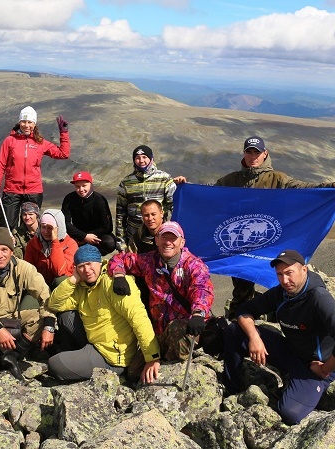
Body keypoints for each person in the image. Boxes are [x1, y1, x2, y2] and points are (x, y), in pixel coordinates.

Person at [175, 136, 335, 319]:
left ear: (265, 153)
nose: (253, 156)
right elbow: (209, 194)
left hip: (271, 242)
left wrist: (331, 187)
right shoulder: (232, 180)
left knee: (279, 280)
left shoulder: (277, 179)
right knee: (241, 285)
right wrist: (185, 188)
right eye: (249, 152)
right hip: (241, 244)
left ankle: (283, 320)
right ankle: (238, 321)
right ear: (244, 153)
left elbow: (303, 188)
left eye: (257, 152)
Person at [223, 250, 335, 425]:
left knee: (289, 414)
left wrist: (326, 369)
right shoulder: (281, 293)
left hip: (314, 367)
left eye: (289, 273)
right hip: (290, 352)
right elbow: (243, 311)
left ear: (304, 270)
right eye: (279, 274)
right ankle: (231, 388)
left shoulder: (319, 299)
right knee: (234, 330)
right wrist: (255, 337)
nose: (284, 280)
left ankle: (303, 388)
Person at [47, 245, 161, 383]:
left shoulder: (114, 283)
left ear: (99, 262)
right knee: (66, 316)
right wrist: (73, 280)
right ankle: (76, 358)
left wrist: (152, 358)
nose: (87, 270)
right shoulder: (82, 286)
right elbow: (54, 305)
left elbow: (138, 318)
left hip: (112, 356)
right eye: (81, 266)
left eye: (89, 264)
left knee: (54, 364)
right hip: (95, 341)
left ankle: (112, 371)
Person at [108, 221, 214, 361]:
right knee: (134, 371)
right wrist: (119, 275)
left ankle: (174, 368)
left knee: (176, 330)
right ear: (157, 240)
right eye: (164, 237)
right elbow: (119, 258)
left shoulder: (194, 265)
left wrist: (198, 313)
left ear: (182, 243)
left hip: (187, 328)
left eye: (173, 238)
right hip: (159, 332)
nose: (168, 242)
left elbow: (202, 289)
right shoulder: (149, 261)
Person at [0, 227, 55, 380]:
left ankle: (11, 357)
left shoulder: (23, 268)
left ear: (12, 251)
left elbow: (45, 295)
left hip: (10, 317)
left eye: (4, 250)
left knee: (38, 317)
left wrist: (49, 326)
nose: (0, 255)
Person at [0, 106, 70, 229]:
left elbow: (63, 154)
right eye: (23, 121)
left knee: (30, 229)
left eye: (30, 122)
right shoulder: (9, 141)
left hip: (33, 191)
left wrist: (63, 133)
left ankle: (29, 249)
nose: (26, 125)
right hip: (11, 191)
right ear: (19, 122)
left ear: (34, 124)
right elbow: (0, 165)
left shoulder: (40, 142)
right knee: (7, 228)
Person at [115, 145, 176, 252]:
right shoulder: (126, 183)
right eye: (137, 158)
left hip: (159, 232)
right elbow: (120, 215)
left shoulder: (164, 178)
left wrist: (171, 231)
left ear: (151, 158)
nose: (141, 161)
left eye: (144, 157)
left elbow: (173, 207)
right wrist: (121, 244)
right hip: (134, 233)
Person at [61, 171, 116, 256]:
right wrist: (83, 236)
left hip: (96, 235)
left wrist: (89, 236)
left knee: (110, 242)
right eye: (77, 186)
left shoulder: (100, 200)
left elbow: (107, 227)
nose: (81, 189)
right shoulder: (69, 199)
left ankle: (94, 255)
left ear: (90, 184)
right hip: (78, 234)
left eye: (84, 186)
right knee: (60, 241)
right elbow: (65, 223)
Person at [24, 209, 77, 287]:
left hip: (61, 287)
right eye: (43, 227)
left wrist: (55, 242)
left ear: (58, 227)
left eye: (50, 228)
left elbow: (60, 271)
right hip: (39, 286)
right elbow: (28, 271)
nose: (46, 231)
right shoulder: (33, 243)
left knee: (60, 280)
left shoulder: (70, 244)